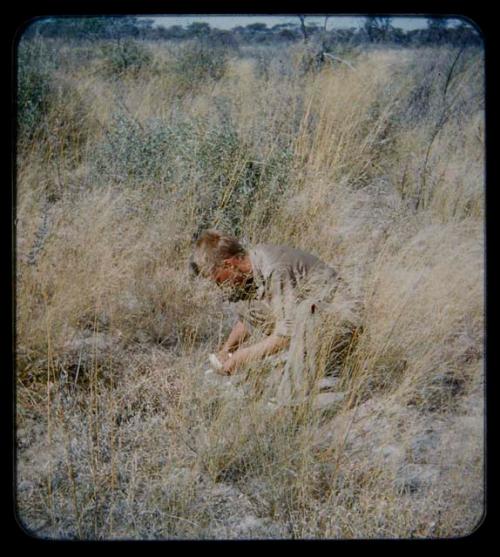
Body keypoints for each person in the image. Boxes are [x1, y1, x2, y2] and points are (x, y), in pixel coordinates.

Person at [189, 230, 343, 387]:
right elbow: (252, 317)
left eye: (218, 279)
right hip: (318, 314)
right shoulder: (251, 267)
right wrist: (226, 350)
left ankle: (299, 393)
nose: (219, 286)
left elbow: (287, 333)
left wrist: (242, 357)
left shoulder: (274, 269)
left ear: (229, 264)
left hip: (339, 317)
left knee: (304, 315)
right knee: (252, 306)